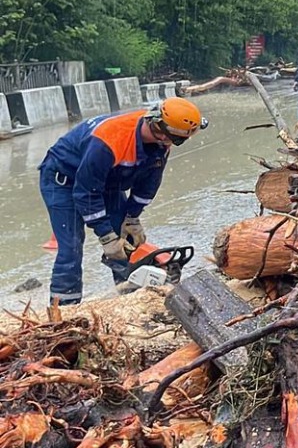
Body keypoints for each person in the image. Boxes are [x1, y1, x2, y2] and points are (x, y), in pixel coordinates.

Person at [39, 97, 207, 305]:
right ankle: (65, 308)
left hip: (107, 179)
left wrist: (132, 217)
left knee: (125, 238)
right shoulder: (109, 140)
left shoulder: (160, 143)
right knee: (71, 247)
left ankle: (128, 295)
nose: (174, 144)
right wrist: (106, 236)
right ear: (161, 130)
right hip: (63, 180)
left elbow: (148, 183)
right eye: (177, 140)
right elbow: (86, 193)